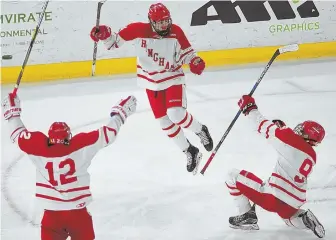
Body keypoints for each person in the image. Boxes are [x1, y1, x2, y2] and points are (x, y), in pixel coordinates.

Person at [89, 2, 213, 175]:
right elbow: (114, 43)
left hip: (172, 77)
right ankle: (189, 150)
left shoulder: (176, 31)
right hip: (151, 82)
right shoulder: (137, 30)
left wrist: (195, 62)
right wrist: (104, 34)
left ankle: (200, 130)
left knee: (176, 113)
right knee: (164, 121)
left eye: (166, 21)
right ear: (151, 21)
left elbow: (188, 54)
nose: (164, 25)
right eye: (160, 22)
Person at [1, 93, 137, 240]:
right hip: (78, 216)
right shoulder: (80, 145)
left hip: (51, 218)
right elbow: (108, 133)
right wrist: (118, 114)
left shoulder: (38, 147)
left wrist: (12, 114)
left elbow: (17, 134)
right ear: (68, 137)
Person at [225, 95, 326, 238]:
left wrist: (250, 108)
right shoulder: (312, 155)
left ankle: (246, 216)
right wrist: (283, 129)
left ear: (308, 136)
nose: (298, 130)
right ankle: (303, 218)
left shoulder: (290, 139)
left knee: (232, 176)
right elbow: (290, 146)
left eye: (302, 131)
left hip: (274, 198)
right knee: (289, 220)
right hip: (294, 202)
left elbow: (262, 126)